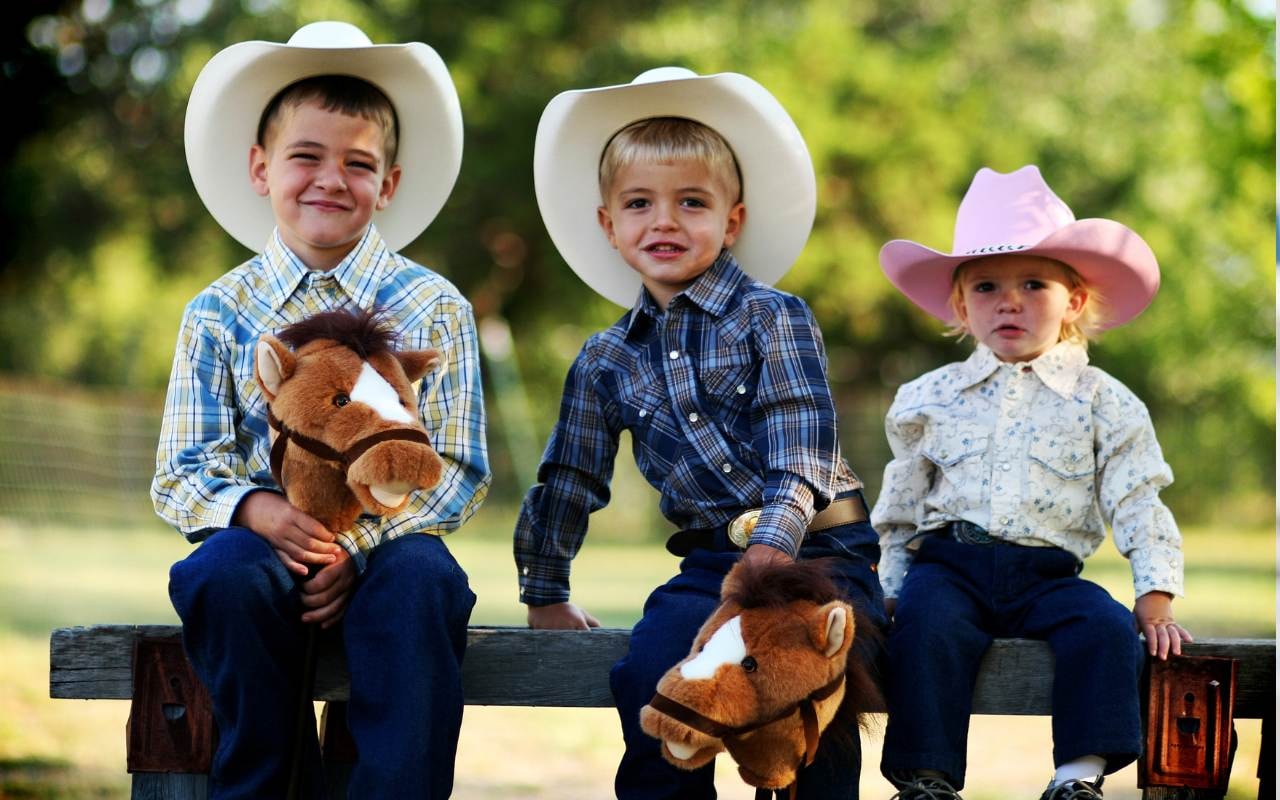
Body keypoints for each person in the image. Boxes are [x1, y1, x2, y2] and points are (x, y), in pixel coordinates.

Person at [515, 67, 886, 800]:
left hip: (819, 550)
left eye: (692, 203)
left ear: (732, 221)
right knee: (652, 668)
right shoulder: (606, 359)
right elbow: (570, 479)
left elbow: (800, 452)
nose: (665, 222)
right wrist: (545, 587)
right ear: (609, 225)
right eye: (640, 204)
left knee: (807, 680)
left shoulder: (773, 317)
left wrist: (771, 555)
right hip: (711, 560)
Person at [151, 21, 489, 799]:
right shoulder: (219, 310)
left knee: (424, 581)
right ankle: (263, 783)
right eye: (306, 156)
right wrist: (260, 513)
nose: (330, 179)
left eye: (358, 164)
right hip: (264, 549)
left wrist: (357, 545)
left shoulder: (433, 308)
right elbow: (182, 469)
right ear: (261, 168)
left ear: (390, 184)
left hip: (390, 548)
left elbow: (459, 471)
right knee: (220, 575)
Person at [871, 165, 1191, 800]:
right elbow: (901, 506)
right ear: (961, 305)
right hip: (951, 563)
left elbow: (1136, 495)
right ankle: (926, 779)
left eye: (1033, 284)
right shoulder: (929, 398)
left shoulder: (1104, 401)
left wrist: (1155, 591)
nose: (1008, 301)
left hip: (1048, 573)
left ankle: (1077, 777)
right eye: (986, 286)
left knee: (1103, 629)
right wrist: (891, 585)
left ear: (1073, 301)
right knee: (925, 627)